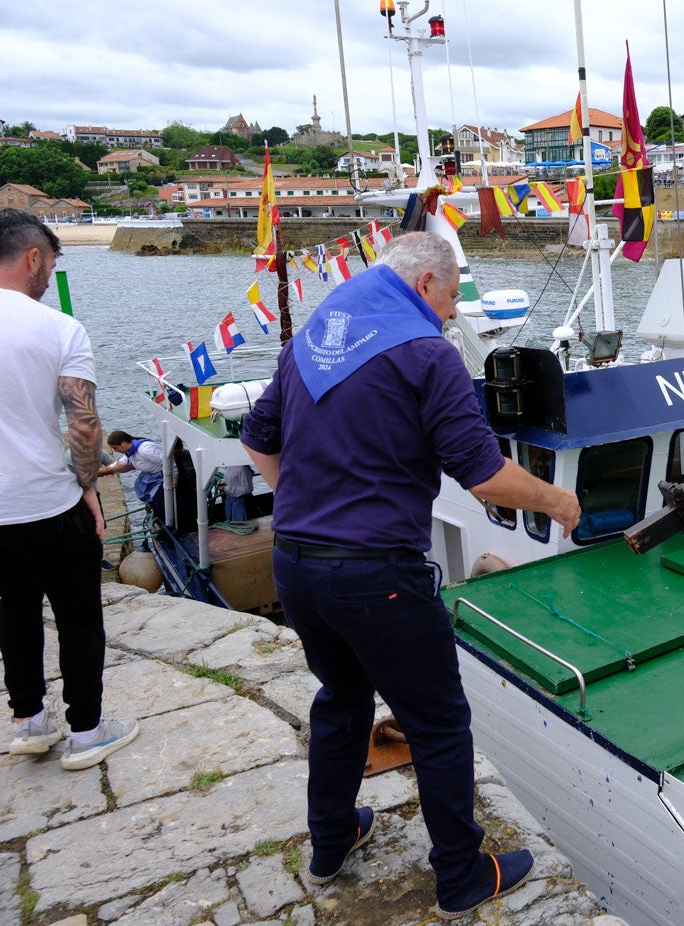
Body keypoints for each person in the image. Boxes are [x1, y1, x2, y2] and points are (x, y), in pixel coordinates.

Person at [240, 232, 580, 919]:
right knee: (438, 722)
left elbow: (256, 438)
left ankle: (331, 842)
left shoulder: (315, 337)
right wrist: (559, 500)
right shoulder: (426, 352)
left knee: (340, 700)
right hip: (376, 574)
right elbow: (482, 473)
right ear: (426, 282)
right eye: (453, 295)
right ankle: (459, 875)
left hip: (298, 561)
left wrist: (311, 509)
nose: (453, 313)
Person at [0, 209, 139, 770]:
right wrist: (88, 488)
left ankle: (28, 721)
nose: (49, 276)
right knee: (78, 616)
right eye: (49, 264)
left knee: (14, 606)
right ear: (32, 257)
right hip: (46, 502)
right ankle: (86, 732)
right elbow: (84, 426)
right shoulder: (57, 328)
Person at [100, 430, 165, 519]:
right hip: (152, 475)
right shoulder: (130, 451)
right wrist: (107, 470)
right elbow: (122, 461)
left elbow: (167, 463)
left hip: (162, 476)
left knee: (158, 499)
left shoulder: (145, 450)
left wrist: (174, 478)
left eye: (115, 448)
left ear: (123, 443)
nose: (116, 451)